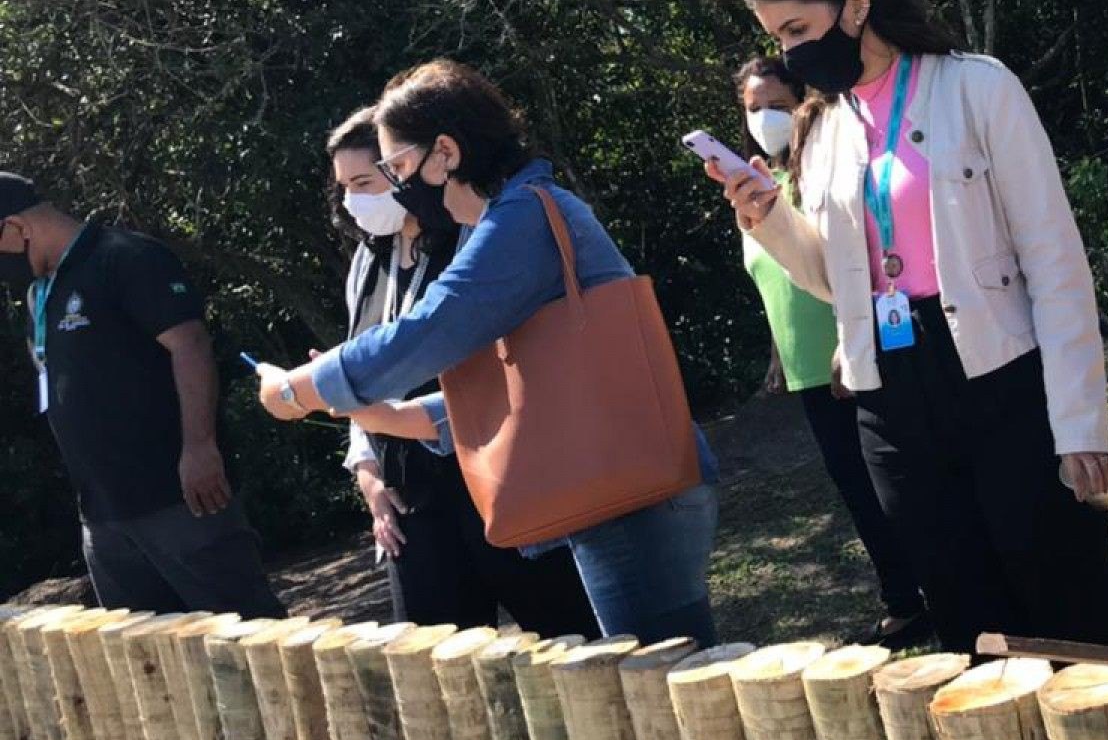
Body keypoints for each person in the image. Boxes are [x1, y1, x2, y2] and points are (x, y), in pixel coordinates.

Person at [712, 0, 1108, 655]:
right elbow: (838, 282)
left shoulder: (978, 86)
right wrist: (770, 220)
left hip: (1002, 380)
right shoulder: (824, 129)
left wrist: (1079, 423)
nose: (789, 54)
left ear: (854, 5)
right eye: (775, 37)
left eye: (796, 28)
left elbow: (1056, 261)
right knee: (973, 631)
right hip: (889, 399)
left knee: (1072, 610)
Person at [255, 61, 720, 646]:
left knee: (667, 690)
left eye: (399, 167)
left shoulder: (522, 217)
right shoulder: (504, 217)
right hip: (620, 484)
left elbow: (430, 331)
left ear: (445, 152)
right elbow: (503, 380)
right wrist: (406, 418)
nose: (399, 187)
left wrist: (301, 387)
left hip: (633, 500)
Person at [327, 109, 599, 636]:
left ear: (398, 170)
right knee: (437, 666)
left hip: (494, 471)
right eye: (342, 188)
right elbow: (361, 361)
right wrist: (368, 474)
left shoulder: (469, 239)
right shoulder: (366, 261)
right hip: (410, 500)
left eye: (363, 182)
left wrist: (317, 387)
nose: (351, 201)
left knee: (570, 641)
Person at [0, 173, 283, 618]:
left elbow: (190, 345)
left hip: (180, 498)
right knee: (147, 663)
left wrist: (200, 447)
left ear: (17, 227)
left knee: (244, 637)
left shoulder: (125, 258)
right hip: (103, 515)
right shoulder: (43, 292)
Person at [735, 57, 929, 646]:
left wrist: (850, 339)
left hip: (855, 354)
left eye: (776, 103)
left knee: (893, 481)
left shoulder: (820, 169)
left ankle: (925, 594)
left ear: (802, 100)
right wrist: (777, 352)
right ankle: (902, 596)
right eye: (752, 108)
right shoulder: (753, 184)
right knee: (854, 487)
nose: (765, 117)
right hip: (804, 369)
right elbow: (774, 274)